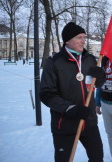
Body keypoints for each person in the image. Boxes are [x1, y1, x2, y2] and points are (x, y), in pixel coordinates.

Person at [39, 22, 106, 162]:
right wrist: (71, 109)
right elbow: (46, 95)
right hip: (64, 125)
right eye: (79, 37)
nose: (83, 41)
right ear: (68, 41)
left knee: (97, 158)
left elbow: (92, 85)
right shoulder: (54, 62)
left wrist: (100, 78)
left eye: (84, 37)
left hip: (89, 122)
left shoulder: (89, 59)